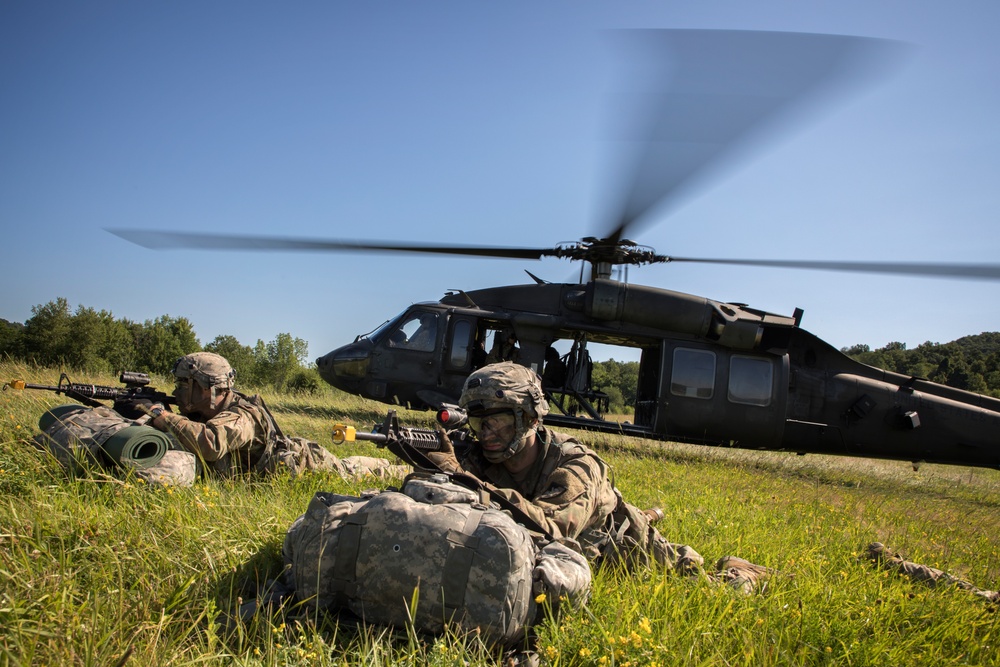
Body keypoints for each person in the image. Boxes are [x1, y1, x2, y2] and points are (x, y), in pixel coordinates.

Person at [427, 361, 772, 591]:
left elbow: (551, 532)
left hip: (627, 553)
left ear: (529, 418)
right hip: (569, 555)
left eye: (497, 420)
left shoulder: (577, 465)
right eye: (476, 422)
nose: (485, 433)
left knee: (710, 588)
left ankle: (741, 570)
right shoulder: (480, 457)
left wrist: (460, 476)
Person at [126, 352, 405, 479]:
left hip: (304, 463)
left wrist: (161, 415)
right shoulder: (205, 410)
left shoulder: (241, 416)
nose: (177, 390)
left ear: (210, 389)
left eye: (184, 384)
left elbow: (210, 444)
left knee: (355, 470)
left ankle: (403, 468)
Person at [864, 542, 999, 603]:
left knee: (956, 585)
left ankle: (988, 596)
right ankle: (988, 597)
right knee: (956, 585)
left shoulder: (890, 562)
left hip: (923, 572)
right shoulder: (890, 561)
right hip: (923, 573)